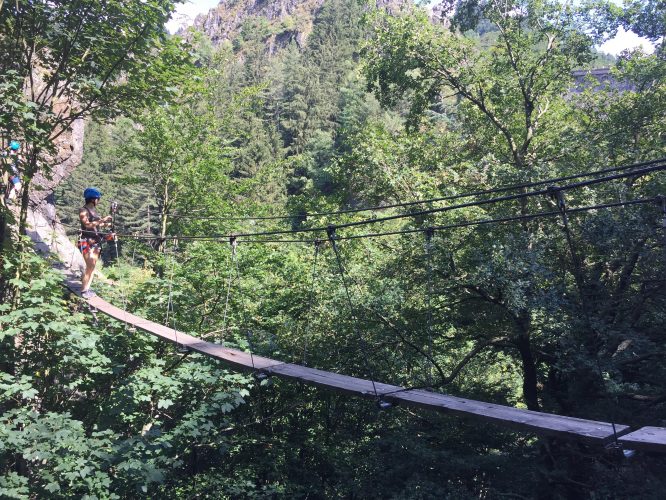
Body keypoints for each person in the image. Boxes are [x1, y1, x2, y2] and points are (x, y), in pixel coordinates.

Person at [78, 187, 113, 298]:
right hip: (86, 241)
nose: (99, 201)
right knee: (90, 265)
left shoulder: (94, 211)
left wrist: (106, 224)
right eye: (98, 199)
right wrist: (102, 220)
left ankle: (87, 289)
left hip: (96, 241)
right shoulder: (83, 210)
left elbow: (96, 225)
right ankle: (84, 291)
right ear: (93, 199)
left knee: (92, 267)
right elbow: (87, 225)